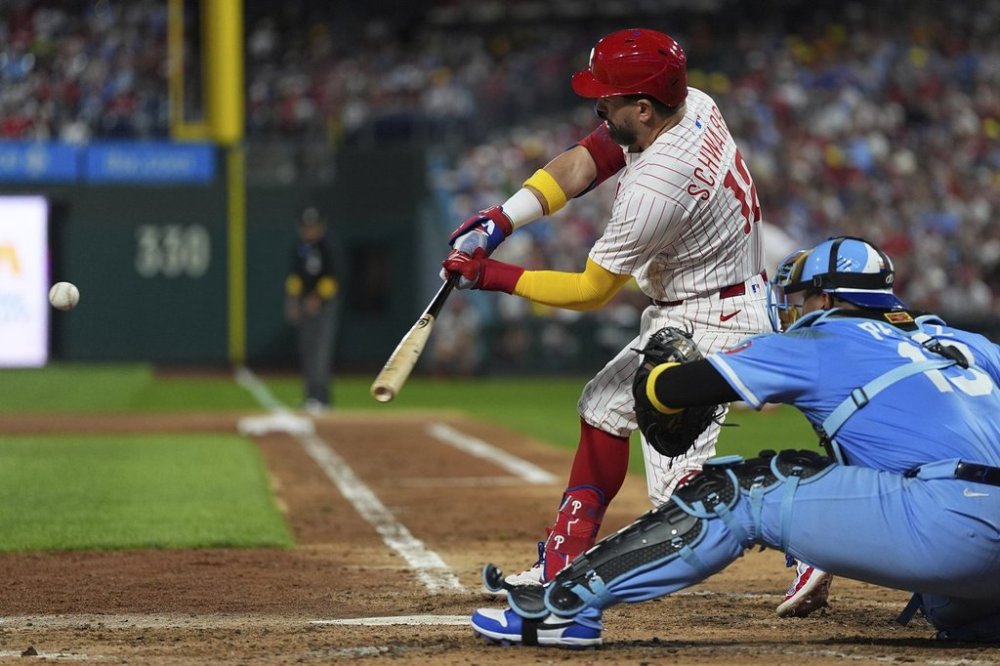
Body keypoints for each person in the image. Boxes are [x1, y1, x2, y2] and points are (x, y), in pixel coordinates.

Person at [441, 27, 827, 615]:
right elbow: (587, 160)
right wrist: (501, 221)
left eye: (610, 99)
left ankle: (810, 544)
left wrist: (489, 276)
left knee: (682, 499)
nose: (599, 107)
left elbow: (591, 291)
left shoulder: (656, 184)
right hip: (709, 300)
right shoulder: (692, 104)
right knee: (602, 405)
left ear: (643, 108)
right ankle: (562, 558)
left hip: (708, 319)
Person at [470, 236, 1000, 647]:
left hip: (948, 523)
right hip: (977, 536)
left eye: (803, 297)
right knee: (948, 602)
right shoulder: (963, 340)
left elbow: (683, 387)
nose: (795, 309)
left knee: (736, 488)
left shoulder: (823, 336)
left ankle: (563, 608)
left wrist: (655, 379)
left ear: (829, 298)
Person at [285, 206, 342, 413]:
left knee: (320, 352)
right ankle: (310, 396)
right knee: (307, 351)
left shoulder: (327, 245)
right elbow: (295, 277)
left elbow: (334, 278)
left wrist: (317, 298)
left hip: (325, 306)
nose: (309, 230)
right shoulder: (300, 246)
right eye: (306, 226)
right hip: (304, 305)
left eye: (312, 226)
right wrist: (293, 301)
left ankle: (322, 398)